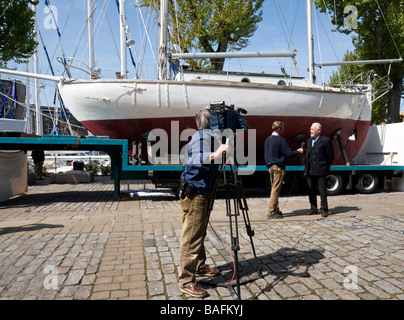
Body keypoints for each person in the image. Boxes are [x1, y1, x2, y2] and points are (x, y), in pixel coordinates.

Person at [178, 109, 229, 298]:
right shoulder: (202, 138)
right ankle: (186, 281)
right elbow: (194, 160)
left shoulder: (201, 136)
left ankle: (199, 266)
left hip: (197, 191)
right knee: (191, 237)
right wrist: (217, 153)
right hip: (196, 194)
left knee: (198, 232)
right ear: (212, 123)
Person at [264, 121, 303, 219]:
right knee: (276, 190)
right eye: (283, 128)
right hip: (278, 167)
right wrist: (298, 152)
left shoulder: (267, 140)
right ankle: (271, 212)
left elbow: (266, 154)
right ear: (279, 129)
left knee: (273, 189)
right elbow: (288, 153)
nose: (283, 130)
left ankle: (275, 209)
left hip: (270, 167)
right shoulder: (280, 140)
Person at [305, 122, 335, 217]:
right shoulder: (309, 141)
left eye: (312, 129)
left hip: (321, 169)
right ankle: (313, 208)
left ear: (319, 130)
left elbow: (330, 155)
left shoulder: (325, 140)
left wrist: (325, 166)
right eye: (310, 129)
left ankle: (324, 209)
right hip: (310, 169)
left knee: (322, 190)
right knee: (311, 190)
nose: (310, 131)